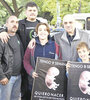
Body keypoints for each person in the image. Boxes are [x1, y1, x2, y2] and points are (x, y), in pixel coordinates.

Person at [0, 2, 40, 100]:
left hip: (35, 64)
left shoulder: (41, 24)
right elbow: (10, 28)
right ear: (26, 12)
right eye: (30, 10)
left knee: (34, 92)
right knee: (23, 92)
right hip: (20, 67)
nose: (32, 12)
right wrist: (2, 31)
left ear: (37, 12)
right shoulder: (20, 24)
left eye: (34, 10)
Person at [23, 22, 62, 99]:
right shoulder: (32, 45)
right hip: (35, 82)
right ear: (37, 32)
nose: (42, 32)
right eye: (40, 30)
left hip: (51, 83)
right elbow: (25, 61)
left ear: (48, 32)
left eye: (45, 30)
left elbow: (60, 61)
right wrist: (31, 72)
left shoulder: (55, 46)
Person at [0, 15, 24, 100]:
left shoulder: (18, 36)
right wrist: (2, 76)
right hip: (7, 78)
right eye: (12, 22)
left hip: (18, 77)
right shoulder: (2, 38)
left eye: (16, 22)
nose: (15, 24)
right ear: (6, 24)